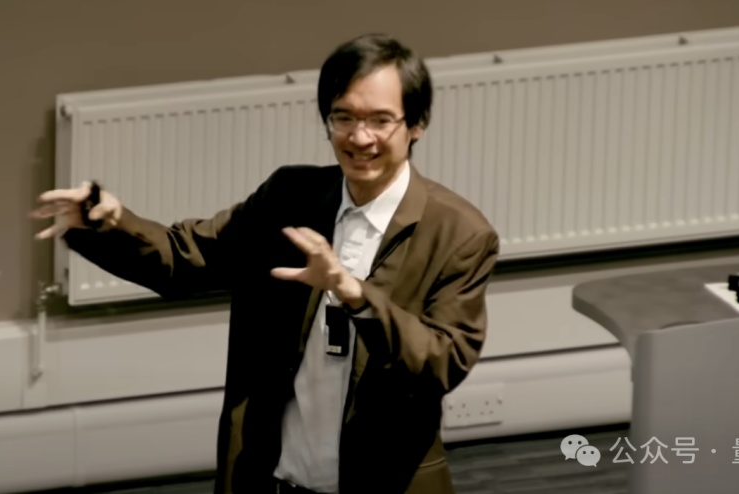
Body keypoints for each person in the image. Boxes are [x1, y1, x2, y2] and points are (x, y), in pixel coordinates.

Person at [34, 33, 500, 494]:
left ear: (416, 124)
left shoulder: (459, 233)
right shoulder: (289, 198)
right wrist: (109, 223)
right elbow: (186, 258)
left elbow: (443, 363)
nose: (360, 137)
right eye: (343, 117)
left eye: (381, 120)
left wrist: (355, 295)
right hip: (273, 481)